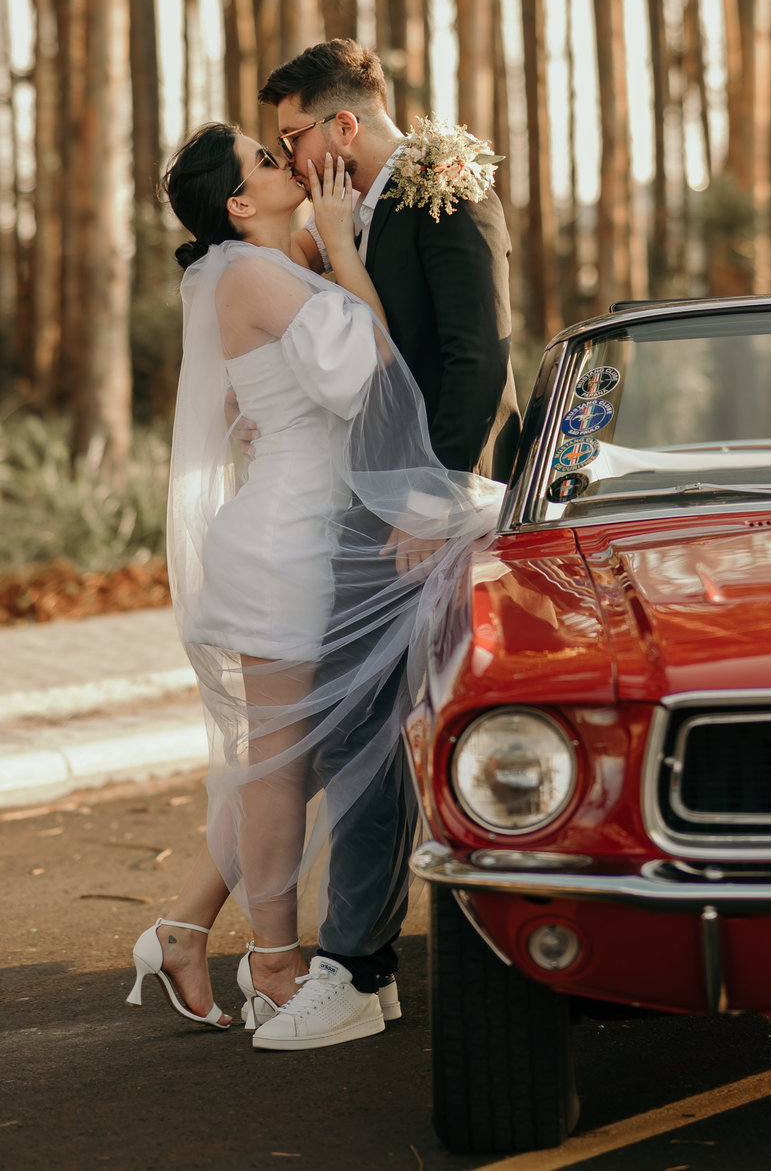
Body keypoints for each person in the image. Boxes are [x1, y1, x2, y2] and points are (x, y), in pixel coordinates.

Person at [127, 122, 499, 1045]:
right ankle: (274, 959)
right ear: (237, 202)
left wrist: (325, 251)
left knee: (288, 758)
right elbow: (369, 365)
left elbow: (259, 386)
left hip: (304, 528)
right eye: (264, 158)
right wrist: (341, 246)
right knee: (281, 762)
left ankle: (187, 932)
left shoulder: (265, 265)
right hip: (286, 544)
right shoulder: (255, 273)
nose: (282, 160)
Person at [250, 39, 519, 1044]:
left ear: (344, 124)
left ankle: (357, 968)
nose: (289, 154)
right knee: (350, 726)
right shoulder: (352, 212)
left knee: (373, 728)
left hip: (429, 509)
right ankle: (356, 960)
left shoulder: (448, 190)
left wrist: (425, 501)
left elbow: (478, 357)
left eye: (294, 135)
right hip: (368, 502)